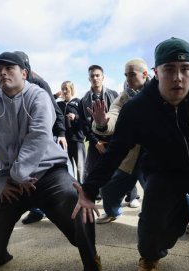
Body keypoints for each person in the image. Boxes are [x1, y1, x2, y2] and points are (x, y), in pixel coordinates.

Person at [72, 37, 189, 271]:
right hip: (162, 168)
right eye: (169, 69)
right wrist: (88, 190)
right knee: (154, 218)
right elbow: (115, 152)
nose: (178, 77)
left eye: (185, 69)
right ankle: (150, 257)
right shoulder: (137, 108)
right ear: (156, 72)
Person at [0, 52, 103, 271]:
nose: (2, 73)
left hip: (49, 173)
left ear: (24, 73)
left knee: (76, 202)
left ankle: (91, 260)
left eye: (9, 68)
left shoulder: (38, 95)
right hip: (11, 179)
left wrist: (20, 174)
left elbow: (38, 136)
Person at [88, 58, 150, 224]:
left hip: (152, 156)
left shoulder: (159, 91)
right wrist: (102, 122)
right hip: (130, 156)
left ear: (145, 74)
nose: (128, 79)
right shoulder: (124, 97)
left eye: (132, 75)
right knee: (108, 188)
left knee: (161, 192)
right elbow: (114, 114)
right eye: (125, 75)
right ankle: (112, 212)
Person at [13, 51, 69, 225]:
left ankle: (62, 207)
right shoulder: (10, 88)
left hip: (44, 136)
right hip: (22, 139)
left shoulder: (38, 84)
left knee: (50, 173)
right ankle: (36, 210)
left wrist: (61, 133)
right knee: (28, 174)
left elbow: (55, 109)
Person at [79, 65, 119, 183]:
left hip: (113, 139)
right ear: (89, 79)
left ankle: (131, 196)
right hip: (95, 141)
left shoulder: (114, 95)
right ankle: (92, 196)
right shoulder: (83, 100)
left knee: (120, 169)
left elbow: (120, 118)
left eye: (97, 75)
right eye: (92, 76)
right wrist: (96, 142)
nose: (95, 78)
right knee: (91, 171)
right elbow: (84, 125)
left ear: (103, 77)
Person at [58, 81, 86, 183]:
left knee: (81, 167)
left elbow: (85, 120)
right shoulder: (58, 104)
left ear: (72, 89)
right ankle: (72, 190)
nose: (64, 91)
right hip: (64, 141)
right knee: (67, 167)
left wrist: (76, 117)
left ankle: (83, 190)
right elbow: (48, 100)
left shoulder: (78, 102)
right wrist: (56, 95)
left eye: (66, 88)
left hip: (77, 139)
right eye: (62, 88)